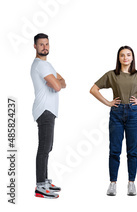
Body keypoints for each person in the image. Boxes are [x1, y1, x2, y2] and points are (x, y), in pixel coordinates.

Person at [89, 46, 137, 196]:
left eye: (128, 55)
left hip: (133, 113)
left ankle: (131, 183)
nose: (125, 58)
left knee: (132, 150)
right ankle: (112, 183)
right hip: (116, 112)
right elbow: (94, 89)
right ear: (119, 58)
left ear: (132, 57)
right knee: (114, 149)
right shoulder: (112, 75)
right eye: (122, 55)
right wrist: (109, 102)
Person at [30, 33, 65, 199]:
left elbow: (63, 81)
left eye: (47, 44)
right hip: (44, 110)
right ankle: (40, 186)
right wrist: (57, 82)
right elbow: (58, 86)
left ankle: (44, 180)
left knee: (48, 147)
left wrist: (57, 82)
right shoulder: (41, 65)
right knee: (44, 148)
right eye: (41, 44)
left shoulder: (47, 64)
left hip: (48, 110)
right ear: (35, 46)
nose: (44, 47)